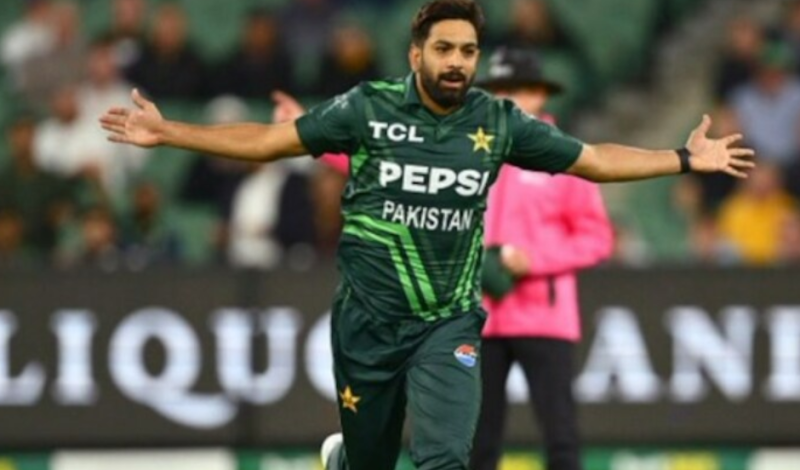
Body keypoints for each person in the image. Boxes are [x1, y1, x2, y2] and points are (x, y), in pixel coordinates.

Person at [99, 2, 753, 469]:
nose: (457, 62)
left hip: (449, 322)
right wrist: (170, 131)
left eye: (468, 51)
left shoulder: (498, 122)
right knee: (372, 459)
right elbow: (271, 142)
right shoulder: (368, 107)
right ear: (416, 54)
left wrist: (683, 158)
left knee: (445, 458)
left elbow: (594, 160)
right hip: (368, 322)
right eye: (444, 49)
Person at [468, 48, 613, 470]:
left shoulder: (564, 154)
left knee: (560, 437)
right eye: (497, 90)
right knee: (476, 441)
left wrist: (533, 260)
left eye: (514, 89)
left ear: (538, 94)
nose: (504, 99)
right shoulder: (475, 150)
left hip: (542, 315)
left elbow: (597, 238)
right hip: (480, 315)